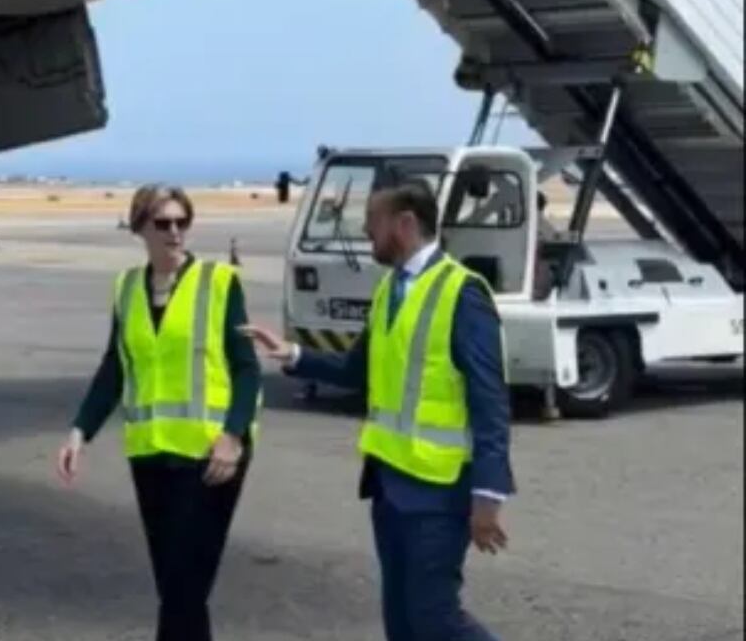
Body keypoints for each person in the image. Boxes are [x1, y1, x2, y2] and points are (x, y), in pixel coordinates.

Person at [242, 180, 514, 641]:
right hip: (389, 487)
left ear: (404, 224)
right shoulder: (390, 288)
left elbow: (489, 401)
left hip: (439, 490)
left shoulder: (462, 293)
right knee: (402, 623)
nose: (367, 233)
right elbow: (357, 369)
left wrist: (489, 495)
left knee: (435, 617)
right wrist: (294, 354)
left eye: (373, 223)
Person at [55, 184, 262, 641]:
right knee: (175, 586)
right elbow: (114, 367)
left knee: (184, 589)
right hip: (150, 456)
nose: (174, 233)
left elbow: (248, 371)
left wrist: (233, 437)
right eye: (162, 223)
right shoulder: (128, 287)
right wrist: (79, 433)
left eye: (181, 222)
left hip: (211, 458)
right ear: (140, 229)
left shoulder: (219, 283)